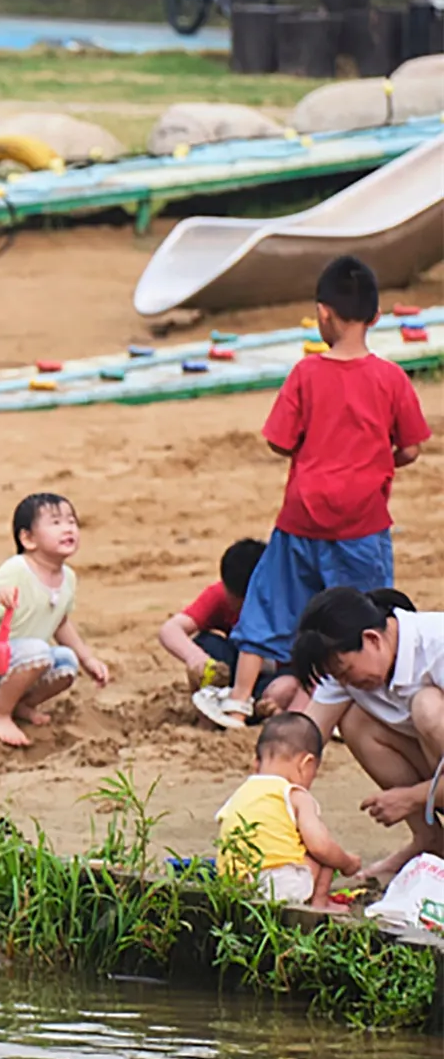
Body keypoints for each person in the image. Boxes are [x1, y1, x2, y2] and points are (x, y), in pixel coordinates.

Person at [197, 254, 429, 729]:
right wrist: (382, 460)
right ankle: (363, 706)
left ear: (323, 313)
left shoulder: (306, 374)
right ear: (376, 318)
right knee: (365, 612)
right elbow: (411, 447)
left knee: (270, 604)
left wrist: (313, 450)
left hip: (301, 517)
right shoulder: (391, 378)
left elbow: (278, 440)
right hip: (362, 523)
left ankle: (239, 699)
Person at [287, 585, 444, 886]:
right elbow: (305, 738)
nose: (347, 682)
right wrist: (268, 794)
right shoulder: (347, 669)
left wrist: (412, 798)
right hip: (435, 772)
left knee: (427, 706)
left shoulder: (438, 643)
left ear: (372, 639)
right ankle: (432, 840)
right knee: (354, 719)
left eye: (346, 672)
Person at [0, 491, 112, 750]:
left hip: (26, 660)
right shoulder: (18, 569)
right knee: (39, 651)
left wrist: (87, 659)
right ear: (28, 538)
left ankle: (21, 704)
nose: (68, 528)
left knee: (67, 662)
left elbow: (61, 622)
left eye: (72, 521)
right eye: (56, 523)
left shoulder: (68, 577)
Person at [214, 711, 358, 908]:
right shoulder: (294, 794)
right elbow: (320, 845)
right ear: (306, 765)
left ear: (256, 763)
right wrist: (347, 863)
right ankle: (320, 903)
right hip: (279, 885)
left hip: (234, 885)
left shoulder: (240, 794)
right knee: (326, 856)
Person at [157, 537, 269, 694]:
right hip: (234, 670)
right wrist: (195, 657)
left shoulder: (286, 605)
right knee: (206, 643)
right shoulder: (221, 595)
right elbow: (170, 629)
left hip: (272, 675)